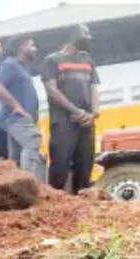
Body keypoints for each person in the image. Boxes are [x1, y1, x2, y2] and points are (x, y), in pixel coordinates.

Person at [43, 24, 101, 194]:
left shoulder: (88, 60)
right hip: (63, 122)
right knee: (60, 164)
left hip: (86, 122)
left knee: (85, 164)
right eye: (85, 38)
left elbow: (94, 88)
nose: (88, 42)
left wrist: (94, 113)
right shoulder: (52, 60)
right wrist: (76, 111)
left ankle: (81, 201)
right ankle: (54, 203)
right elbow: (52, 90)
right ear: (72, 38)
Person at [0, 36, 47, 183]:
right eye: (31, 45)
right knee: (33, 139)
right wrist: (16, 106)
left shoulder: (23, 67)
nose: (35, 48)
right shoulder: (11, 64)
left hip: (24, 119)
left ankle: (16, 193)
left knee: (16, 159)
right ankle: (29, 185)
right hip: (15, 118)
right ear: (21, 46)